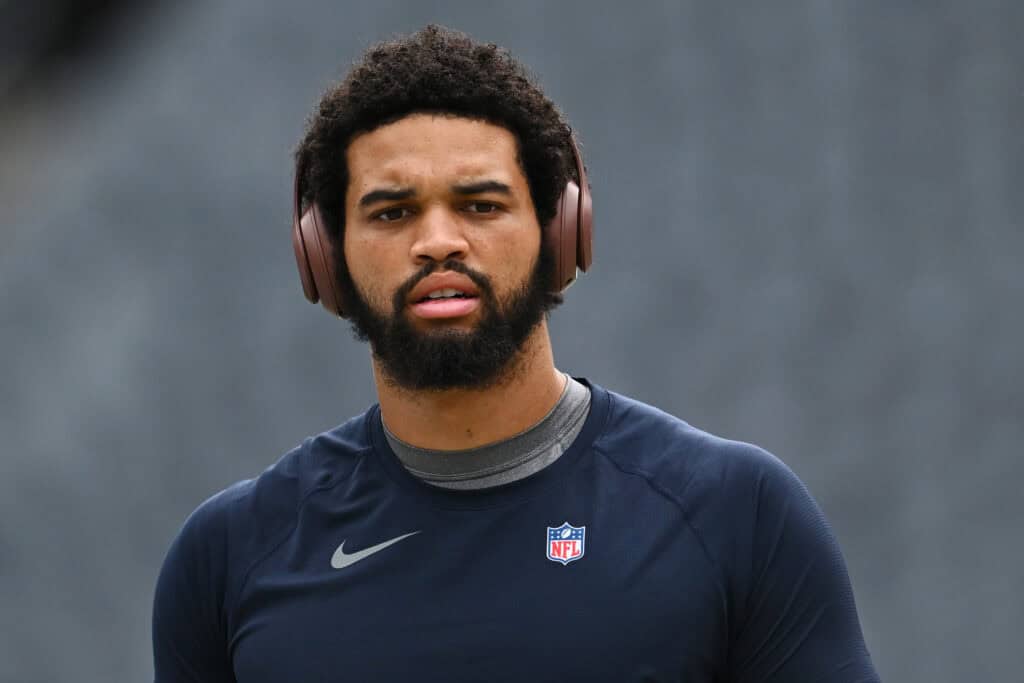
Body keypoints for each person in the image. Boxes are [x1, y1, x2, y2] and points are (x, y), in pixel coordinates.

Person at [152, 25, 881, 682]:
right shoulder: (230, 556)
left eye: (481, 204)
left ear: (561, 232)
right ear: (325, 255)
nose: (438, 240)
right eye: (393, 211)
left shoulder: (734, 514)